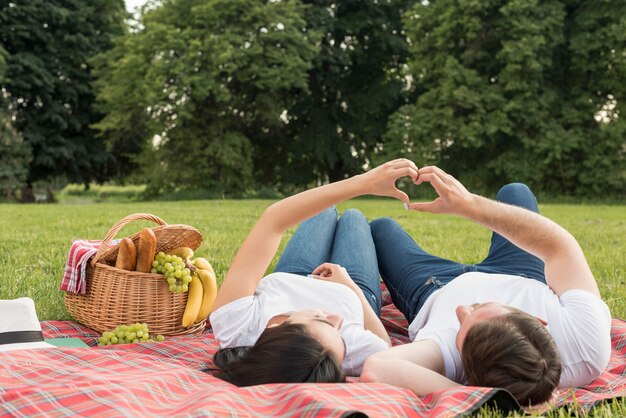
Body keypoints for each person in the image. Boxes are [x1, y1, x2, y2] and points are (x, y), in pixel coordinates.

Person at [361, 165, 612, 406]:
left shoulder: (452, 360)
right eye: (480, 308)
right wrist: (468, 205)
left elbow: (376, 368)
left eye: (460, 332)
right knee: (516, 192)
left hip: (434, 286)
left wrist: (479, 397)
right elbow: (560, 245)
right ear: (537, 321)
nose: (461, 310)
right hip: (520, 272)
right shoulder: (587, 347)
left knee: (383, 228)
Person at [209, 159, 419, 386]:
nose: (337, 319)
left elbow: (273, 221)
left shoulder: (235, 325)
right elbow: (382, 345)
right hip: (354, 291)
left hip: (293, 276)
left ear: (278, 327)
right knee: (354, 218)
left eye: (322, 319)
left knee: (324, 211)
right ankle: (355, 227)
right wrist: (351, 287)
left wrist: (364, 183)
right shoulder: (331, 357)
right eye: (340, 335)